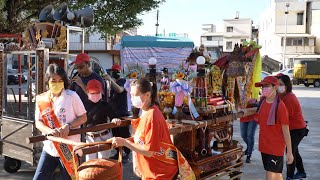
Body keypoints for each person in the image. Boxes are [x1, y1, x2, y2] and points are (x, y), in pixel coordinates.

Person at [110, 78, 195, 180]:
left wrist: (124, 142)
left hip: (161, 172)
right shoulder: (146, 111)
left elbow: (149, 151)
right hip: (152, 171)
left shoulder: (152, 115)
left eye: (135, 95)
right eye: (131, 95)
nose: (132, 98)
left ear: (147, 95)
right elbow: (141, 140)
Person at [33, 64, 87, 180]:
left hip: (69, 150)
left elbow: (83, 117)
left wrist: (69, 126)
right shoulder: (41, 99)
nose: (57, 84)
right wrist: (50, 131)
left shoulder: (72, 96)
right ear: (47, 81)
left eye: (60, 81)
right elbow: (38, 122)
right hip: (49, 148)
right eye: (53, 81)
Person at [244, 76, 294, 180]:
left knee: (270, 175)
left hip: (275, 147)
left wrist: (289, 152)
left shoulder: (281, 107)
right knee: (275, 174)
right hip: (264, 145)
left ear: (275, 87)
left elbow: (286, 131)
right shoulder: (262, 102)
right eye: (262, 87)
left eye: (267, 86)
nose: (264, 89)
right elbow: (257, 117)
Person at [276, 74, 308, 180]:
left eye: (281, 84)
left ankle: (289, 176)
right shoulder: (282, 95)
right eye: (277, 84)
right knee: (294, 151)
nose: (278, 86)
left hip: (297, 129)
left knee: (290, 152)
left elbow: (284, 118)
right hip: (294, 128)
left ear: (287, 85)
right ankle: (301, 172)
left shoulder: (289, 98)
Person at [84, 79, 118, 160]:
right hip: (89, 137)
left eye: (97, 93)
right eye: (93, 93)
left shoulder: (105, 105)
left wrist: (115, 120)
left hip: (104, 136)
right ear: (87, 92)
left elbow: (114, 116)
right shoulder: (83, 105)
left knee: (104, 162)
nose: (95, 95)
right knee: (90, 163)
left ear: (101, 92)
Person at [104, 64, 131, 160]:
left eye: (116, 71)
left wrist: (110, 80)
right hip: (114, 114)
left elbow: (120, 90)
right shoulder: (112, 83)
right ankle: (118, 152)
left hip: (122, 113)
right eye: (113, 71)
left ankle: (127, 153)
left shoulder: (123, 81)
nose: (114, 73)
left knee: (124, 135)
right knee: (116, 135)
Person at [239, 98, 258, 163]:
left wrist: (255, 103)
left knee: (250, 135)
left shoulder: (254, 88)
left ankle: (249, 155)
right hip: (243, 115)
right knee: (243, 135)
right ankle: (250, 147)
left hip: (253, 115)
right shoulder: (239, 89)